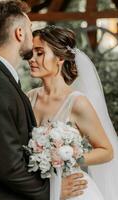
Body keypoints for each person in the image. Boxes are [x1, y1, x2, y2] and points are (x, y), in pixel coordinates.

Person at [0, 1, 88, 200]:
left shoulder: (2, 79)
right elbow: (8, 166)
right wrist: (53, 191)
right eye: (31, 29)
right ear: (20, 33)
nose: (33, 37)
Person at [27, 25, 114, 200]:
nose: (31, 59)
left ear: (59, 58)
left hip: (73, 190)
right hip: (39, 189)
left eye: (39, 53)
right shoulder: (29, 98)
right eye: (30, 53)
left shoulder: (77, 102)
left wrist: (70, 158)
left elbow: (106, 150)